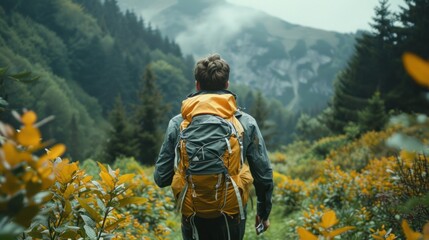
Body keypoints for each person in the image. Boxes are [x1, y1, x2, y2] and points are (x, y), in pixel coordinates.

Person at [154, 53, 273, 240]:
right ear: (227, 85)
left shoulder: (178, 123)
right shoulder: (245, 122)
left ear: (197, 85)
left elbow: (161, 178)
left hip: (192, 212)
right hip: (231, 211)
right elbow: (264, 175)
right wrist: (263, 213)